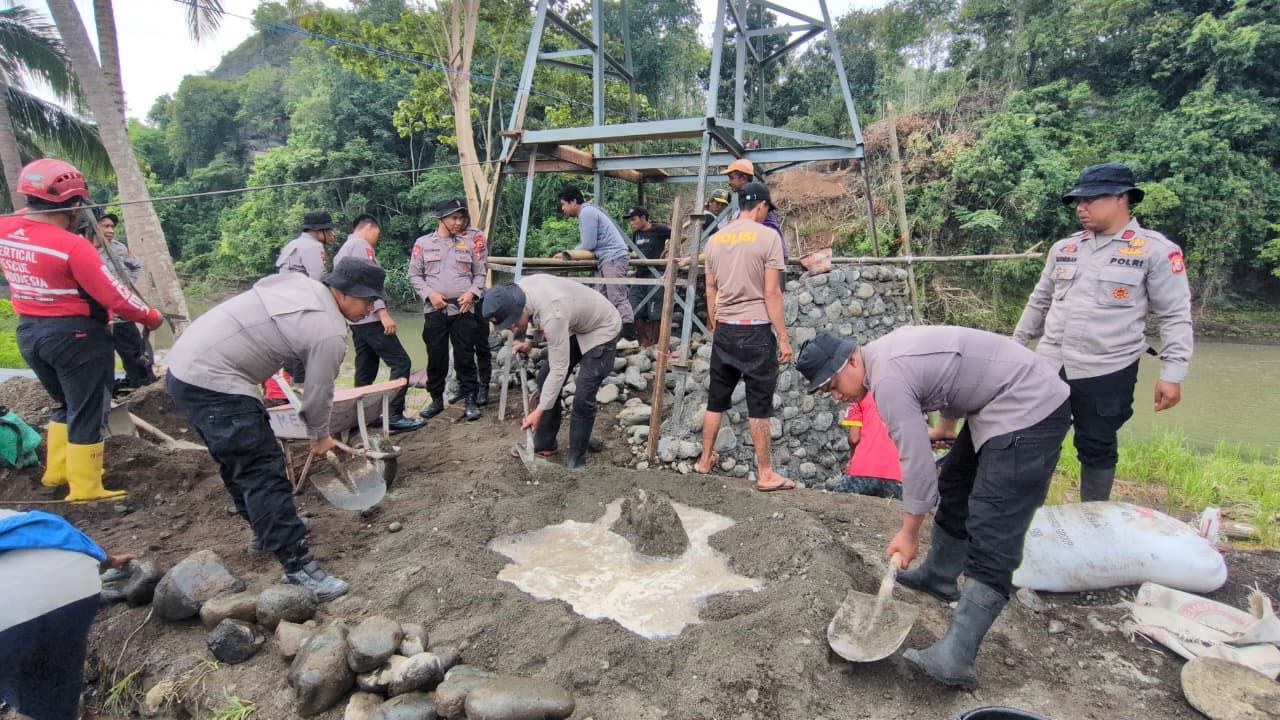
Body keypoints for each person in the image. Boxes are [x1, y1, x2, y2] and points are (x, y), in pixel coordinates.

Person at [796, 328, 1071, 689]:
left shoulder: (888, 381)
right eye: (826, 391)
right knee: (955, 484)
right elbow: (954, 375)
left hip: (1028, 405)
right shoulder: (882, 357)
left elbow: (916, 463)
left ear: (851, 360)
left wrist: (909, 534)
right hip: (996, 400)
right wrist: (946, 425)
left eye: (833, 384)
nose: (836, 395)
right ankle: (939, 577)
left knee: (993, 518)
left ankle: (957, 657)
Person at [165, 258, 387, 601]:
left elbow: (268, 298)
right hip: (216, 380)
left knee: (237, 463)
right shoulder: (329, 331)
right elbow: (318, 394)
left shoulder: (302, 284)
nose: (371, 308)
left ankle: (263, 529)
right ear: (342, 292)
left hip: (183, 368)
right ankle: (298, 567)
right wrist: (319, 436)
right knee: (262, 469)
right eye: (367, 300)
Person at [1012, 162, 1193, 501]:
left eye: (1091, 199)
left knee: (1096, 445)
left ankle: (1093, 515)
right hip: (1050, 363)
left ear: (1122, 198)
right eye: (1078, 201)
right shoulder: (1065, 248)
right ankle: (1024, 514)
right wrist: (1016, 347)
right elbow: (1039, 302)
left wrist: (1172, 374)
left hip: (1107, 368)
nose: (1081, 208)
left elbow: (1175, 316)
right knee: (1032, 439)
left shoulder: (1155, 251)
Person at [0, 158, 164, 502]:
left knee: (66, 402)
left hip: (30, 332)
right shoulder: (73, 246)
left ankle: (57, 472)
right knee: (89, 409)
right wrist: (150, 316)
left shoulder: (5, 228)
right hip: (76, 337)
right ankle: (86, 488)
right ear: (75, 206)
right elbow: (115, 296)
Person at [692, 182, 793, 490]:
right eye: (766, 209)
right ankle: (765, 474)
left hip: (725, 328)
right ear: (761, 206)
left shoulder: (714, 240)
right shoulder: (768, 237)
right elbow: (772, 292)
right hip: (756, 330)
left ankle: (704, 460)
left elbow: (711, 290)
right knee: (758, 404)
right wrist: (783, 337)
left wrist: (715, 323)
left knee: (716, 399)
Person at [0, 510, 132, 720]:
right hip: (73, 581)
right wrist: (109, 560)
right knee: (48, 697)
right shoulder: (8, 515)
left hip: (8, 611)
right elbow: (57, 530)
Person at [482, 275, 621, 469]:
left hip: (602, 327)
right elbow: (533, 315)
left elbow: (559, 368)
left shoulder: (552, 312)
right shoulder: (521, 293)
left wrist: (539, 411)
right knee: (544, 378)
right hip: (575, 323)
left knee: (583, 396)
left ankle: (576, 461)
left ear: (519, 306)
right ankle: (545, 442)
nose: (513, 329)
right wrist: (529, 342)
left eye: (513, 323)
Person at [333, 215, 423, 434]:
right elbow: (368, 285)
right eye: (377, 233)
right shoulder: (361, 246)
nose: (377, 238)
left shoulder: (343, 250)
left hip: (356, 320)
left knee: (366, 367)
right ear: (368, 228)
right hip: (370, 317)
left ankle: (360, 416)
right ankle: (394, 415)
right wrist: (382, 312)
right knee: (401, 362)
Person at [409, 198, 486, 422]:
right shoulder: (423, 244)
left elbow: (480, 273)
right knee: (436, 356)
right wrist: (430, 294)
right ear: (440, 219)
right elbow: (414, 275)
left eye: (462, 218)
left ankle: (470, 398)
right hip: (435, 309)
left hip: (463, 308)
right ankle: (436, 399)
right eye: (454, 218)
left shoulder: (468, 244)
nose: (459, 222)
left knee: (465, 355)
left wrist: (472, 293)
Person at [86, 210, 157, 394]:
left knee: (132, 350)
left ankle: (142, 386)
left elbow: (136, 266)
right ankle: (105, 389)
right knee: (97, 354)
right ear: (92, 227)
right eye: (106, 226)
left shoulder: (118, 248)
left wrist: (124, 286)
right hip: (93, 314)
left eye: (113, 226)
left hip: (119, 313)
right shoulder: (81, 249)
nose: (111, 230)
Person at [557, 188, 636, 341]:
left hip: (613, 256)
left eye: (564, 204)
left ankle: (629, 337)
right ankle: (609, 334)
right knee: (603, 296)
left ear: (573, 202)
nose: (563, 208)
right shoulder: (589, 211)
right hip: (607, 257)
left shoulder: (587, 213)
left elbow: (589, 244)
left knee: (617, 295)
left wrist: (567, 253)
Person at [274, 210, 336, 384]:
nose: (332, 234)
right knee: (309, 344)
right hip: (300, 301)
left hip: (283, 301)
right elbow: (318, 280)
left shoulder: (293, 244)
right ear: (318, 231)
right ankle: (303, 384)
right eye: (329, 230)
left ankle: (295, 379)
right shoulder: (314, 247)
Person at [830, 391, 902, 499]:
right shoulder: (904, 396)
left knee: (837, 502)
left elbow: (854, 438)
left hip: (862, 470)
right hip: (896, 473)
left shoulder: (859, 394)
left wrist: (852, 459)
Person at [625, 205, 672, 347]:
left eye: (634, 219)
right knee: (633, 306)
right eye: (630, 220)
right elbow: (629, 249)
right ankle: (644, 340)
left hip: (656, 273)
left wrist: (667, 250)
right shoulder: (636, 234)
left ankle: (655, 342)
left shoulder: (658, 229)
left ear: (643, 218)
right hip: (640, 274)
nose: (631, 223)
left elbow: (680, 236)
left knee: (655, 308)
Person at [724, 158, 786, 259]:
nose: (729, 182)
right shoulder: (743, 203)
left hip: (771, 257)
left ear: (743, 178)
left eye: (731, 178)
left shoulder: (757, 204)